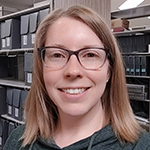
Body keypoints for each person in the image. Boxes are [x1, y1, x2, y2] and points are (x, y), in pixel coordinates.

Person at [4, 5, 150, 150]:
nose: (73, 71)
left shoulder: (142, 146)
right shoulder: (17, 141)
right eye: (57, 55)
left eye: (90, 55)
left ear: (109, 71)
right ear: (41, 68)